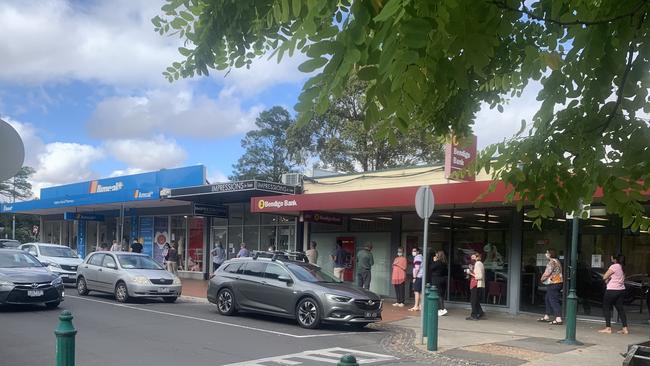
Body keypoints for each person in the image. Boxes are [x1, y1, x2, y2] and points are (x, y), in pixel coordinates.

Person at [599, 254, 629, 334]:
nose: (611, 258)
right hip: (621, 289)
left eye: (612, 257)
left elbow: (604, 277)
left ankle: (608, 328)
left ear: (615, 259)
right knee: (620, 308)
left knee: (606, 307)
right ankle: (625, 328)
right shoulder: (622, 267)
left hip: (612, 289)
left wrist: (607, 278)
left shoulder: (614, 266)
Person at [538, 248, 563, 325]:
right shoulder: (557, 261)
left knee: (553, 300)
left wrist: (541, 279)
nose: (546, 254)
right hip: (558, 283)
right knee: (547, 298)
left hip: (554, 283)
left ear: (550, 254)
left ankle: (558, 318)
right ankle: (547, 316)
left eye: (547, 253)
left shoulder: (551, 262)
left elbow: (547, 273)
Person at [467, 252, 485, 320]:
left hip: (475, 283)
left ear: (477, 257)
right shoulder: (480, 263)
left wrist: (470, 273)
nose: (472, 259)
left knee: (473, 300)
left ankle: (474, 315)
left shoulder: (477, 264)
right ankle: (480, 312)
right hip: (477, 284)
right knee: (476, 299)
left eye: (473, 257)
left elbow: (479, 276)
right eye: (471, 257)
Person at [431, 250, 448, 316]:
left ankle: (442, 309)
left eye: (436, 254)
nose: (435, 255)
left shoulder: (438, 262)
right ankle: (440, 309)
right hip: (443, 279)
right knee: (441, 294)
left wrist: (434, 261)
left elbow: (431, 268)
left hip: (437, 279)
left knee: (438, 294)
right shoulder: (444, 262)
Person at [409, 247, 424, 312]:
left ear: (418, 252)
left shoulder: (417, 257)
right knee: (420, 292)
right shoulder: (421, 257)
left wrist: (414, 277)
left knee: (416, 292)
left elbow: (417, 268)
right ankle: (420, 306)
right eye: (412, 251)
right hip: (421, 276)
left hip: (418, 276)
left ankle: (416, 306)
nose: (413, 252)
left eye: (415, 251)